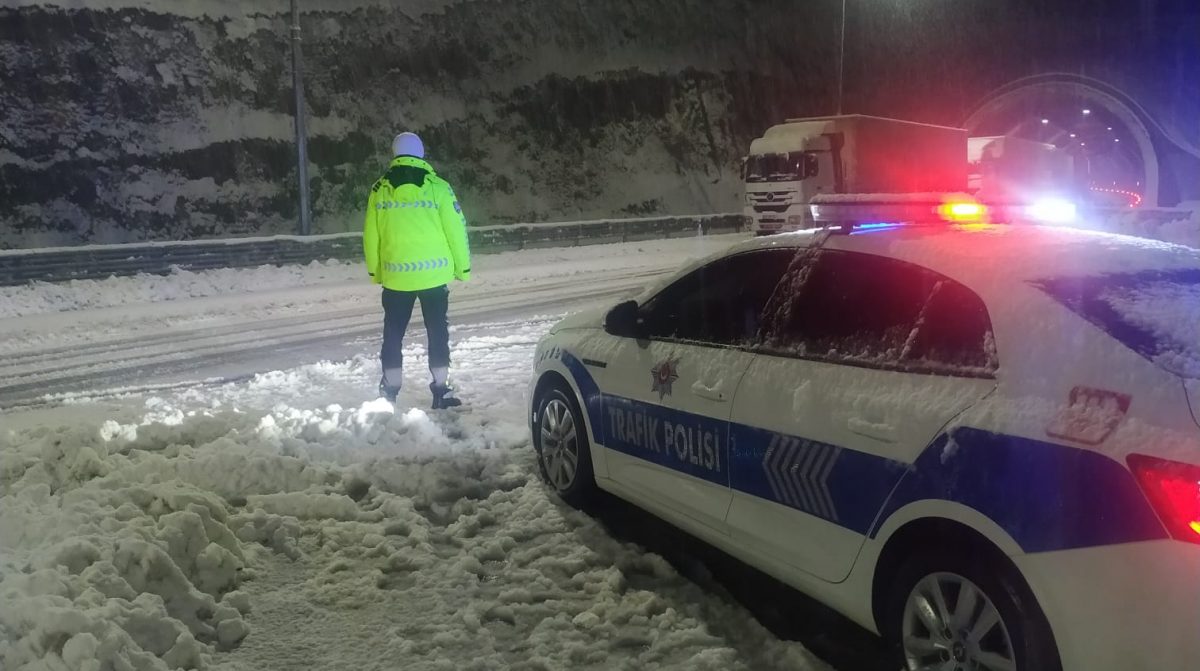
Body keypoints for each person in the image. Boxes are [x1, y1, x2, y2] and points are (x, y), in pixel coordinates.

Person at [363, 132, 471, 408]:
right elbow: (456, 229)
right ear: (421, 153)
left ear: (395, 154)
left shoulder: (379, 189)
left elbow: (370, 235)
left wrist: (376, 271)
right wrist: (463, 267)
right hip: (434, 278)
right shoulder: (439, 187)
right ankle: (440, 390)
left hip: (396, 277)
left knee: (393, 333)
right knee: (437, 332)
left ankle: (390, 389)